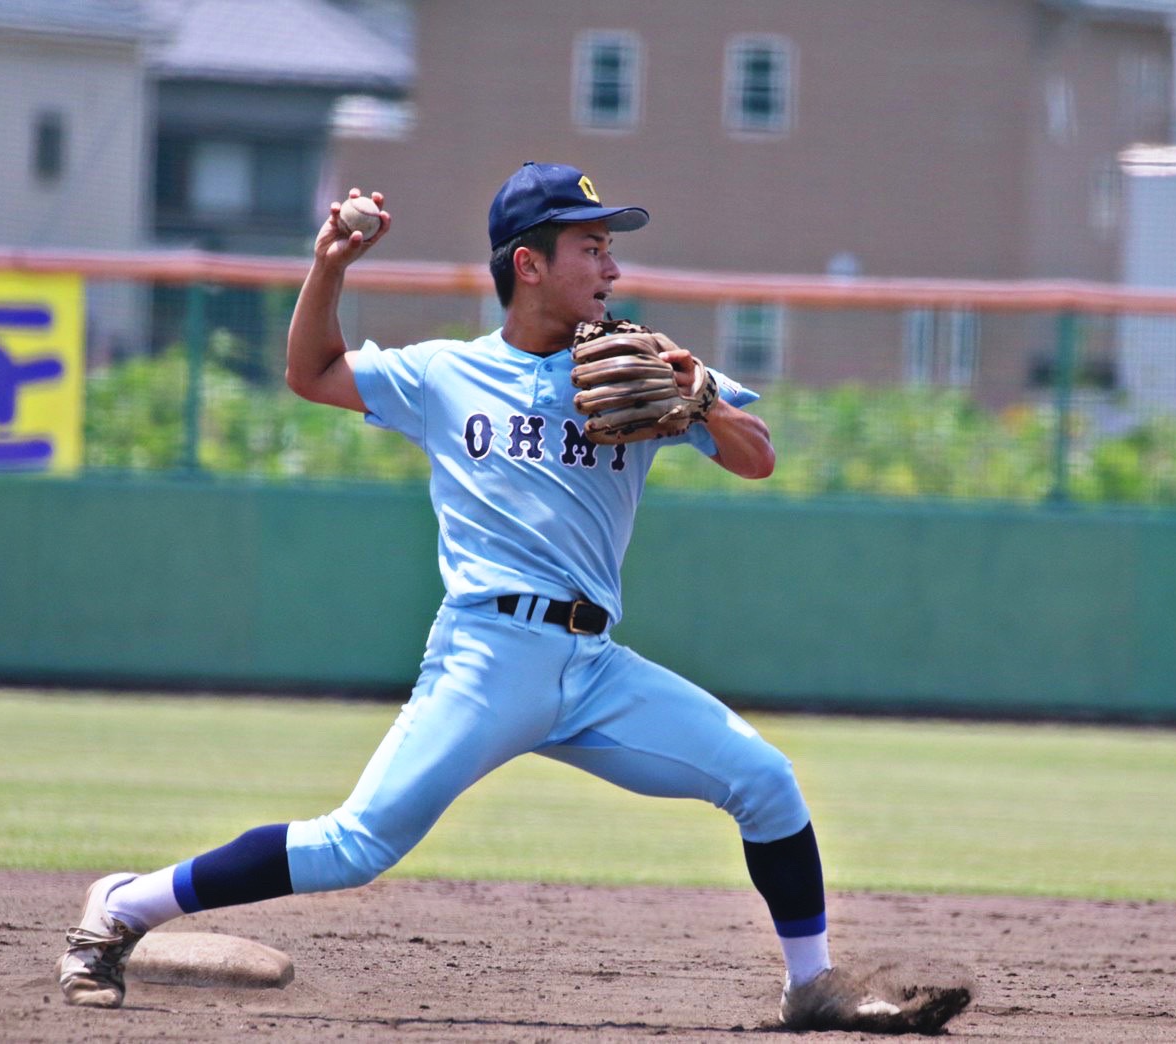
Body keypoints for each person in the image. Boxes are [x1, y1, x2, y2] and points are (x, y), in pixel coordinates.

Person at [56, 162, 971, 1034]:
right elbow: (312, 373)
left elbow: (758, 457)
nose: (612, 263)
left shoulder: (645, 364)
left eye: (611, 245)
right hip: (486, 658)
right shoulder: (445, 375)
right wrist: (330, 264)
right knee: (354, 847)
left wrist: (701, 404)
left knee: (766, 782)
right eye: (590, 246)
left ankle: (809, 986)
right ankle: (123, 906)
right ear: (528, 263)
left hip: (596, 667)